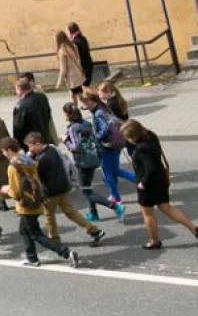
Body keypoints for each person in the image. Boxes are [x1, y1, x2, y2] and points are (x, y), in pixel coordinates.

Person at [0, 137, 80, 268]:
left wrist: (6, 189)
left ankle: (66, 252)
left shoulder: (13, 167)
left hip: (26, 205)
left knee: (35, 233)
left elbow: (16, 191)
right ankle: (32, 258)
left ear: (8, 150)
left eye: (3, 151)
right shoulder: (28, 160)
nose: (3, 154)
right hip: (36, 200)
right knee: (24, 230)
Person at [122, 120, 198, 249]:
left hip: (149, 185)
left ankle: (154, 240)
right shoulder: (151, 135)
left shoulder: (141, 149)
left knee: (147, 213)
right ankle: (194, 228)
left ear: (134, 136)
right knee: (167, 208)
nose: (128, 141)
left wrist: (143, 183)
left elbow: (150, 169)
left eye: (128, 138)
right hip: (161, 180)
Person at [24, 131, 105, 246]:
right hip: (63, 186)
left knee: (49, 215)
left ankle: (54, 239)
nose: (30, 149)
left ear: (37, 144)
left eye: (30, 146)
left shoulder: (43, 159)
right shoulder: (52, 149)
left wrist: (29, 157)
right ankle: (93, 230)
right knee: (70, 212)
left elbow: (35, 174)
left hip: (51, 192)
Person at [62, 103, 123, 222]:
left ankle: (115, 206)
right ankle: (93, 214)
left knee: (86, 191)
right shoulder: (86, 124)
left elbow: (75, 147)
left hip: (83, 162)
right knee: (88, 187)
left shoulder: (73, 128)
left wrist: (65, 141)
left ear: (68, 114)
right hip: (94, 158)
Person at [81, 92, 135, 204]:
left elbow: (106, 128)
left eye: (84, 103)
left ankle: (115, 197)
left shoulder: (98, 113)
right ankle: (144, 183)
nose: (83, 106)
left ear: (91, 102)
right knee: (116, 170)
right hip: (115, 144)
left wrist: (97, 137)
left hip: (106, 146)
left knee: (107, 172)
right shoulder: (103, 108)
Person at [12, 76, 54, 149]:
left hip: (31, 144)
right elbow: (48, 115)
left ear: (19, 89)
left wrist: (19, 146)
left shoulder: (21, 106)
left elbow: (18, 129)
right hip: (45, 137)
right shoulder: (42, 97)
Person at [54, 30, 86, 104]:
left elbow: (63, 69)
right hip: (78, 73)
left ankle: (80, 112)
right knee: (76, 94)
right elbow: (78, 60)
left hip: (71, 78)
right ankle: (79, 110)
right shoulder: (73, 46)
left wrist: (59, 82)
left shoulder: (62, 51)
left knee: (79, 97)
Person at [67, 21, 94, 88]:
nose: (66, 32)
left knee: (83, 89)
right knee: (85, 87)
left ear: (70, 30)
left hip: (83, 68)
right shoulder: (82, 38)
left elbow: (78, 55)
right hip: (87, 65)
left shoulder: (75, 41)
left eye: (67, 30)